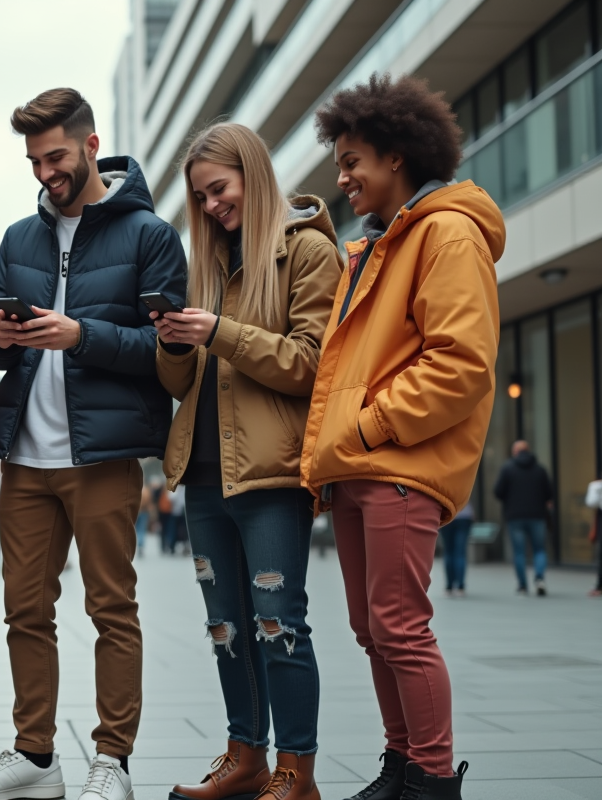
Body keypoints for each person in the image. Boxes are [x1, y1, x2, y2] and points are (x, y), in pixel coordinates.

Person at [0, 88, 186, 800]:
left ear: (89, 145)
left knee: (111, 609)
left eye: (54, 157)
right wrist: (2, 335)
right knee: (25, 609)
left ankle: (111, 759)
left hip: (106, 456)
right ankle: (36, 756)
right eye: (32, 160)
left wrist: (81, 335)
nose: (43, 173)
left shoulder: (150, 235)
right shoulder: (19, 236)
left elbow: (166, 353)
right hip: (25, 457)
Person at [303, 73, 504, 800]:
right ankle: (402, 764)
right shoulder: (378, 247)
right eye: (339, 163)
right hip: (360, 463)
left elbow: (461, 363)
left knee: (399, 625)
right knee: (371, 626)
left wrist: (368, 425)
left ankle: (433, 777)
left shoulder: (446, 234)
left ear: (398, 156)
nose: (344, 177)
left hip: (398, 464)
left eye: (353, 161)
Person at [153, 122, 340, 800]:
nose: (209, 208)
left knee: (277, 624)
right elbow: (180, 384)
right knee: (226, 628)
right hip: (202, 474)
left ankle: (297, 771)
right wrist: (176, 343)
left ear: (253, 177)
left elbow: (313, 364)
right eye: (200, 197)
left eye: (219, 190)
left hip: (271, 473)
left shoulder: (309, 252)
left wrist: (219, 332)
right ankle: (244, 755)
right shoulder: (204, 264)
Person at [493, 441, 554, 596]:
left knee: (519, 552)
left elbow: (498, 492)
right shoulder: (540, 469)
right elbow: (549, 493)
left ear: (516, 452)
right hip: (537, 516)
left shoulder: (508, 468)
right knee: (539, 549)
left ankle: (522, 585)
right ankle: (539, 578)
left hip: (515, 517)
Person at [440, 504, 474, 597]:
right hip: (464, 515)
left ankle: (449, 587)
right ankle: (460, 587)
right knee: (460, 553)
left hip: (447, 513)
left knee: (448, 551)